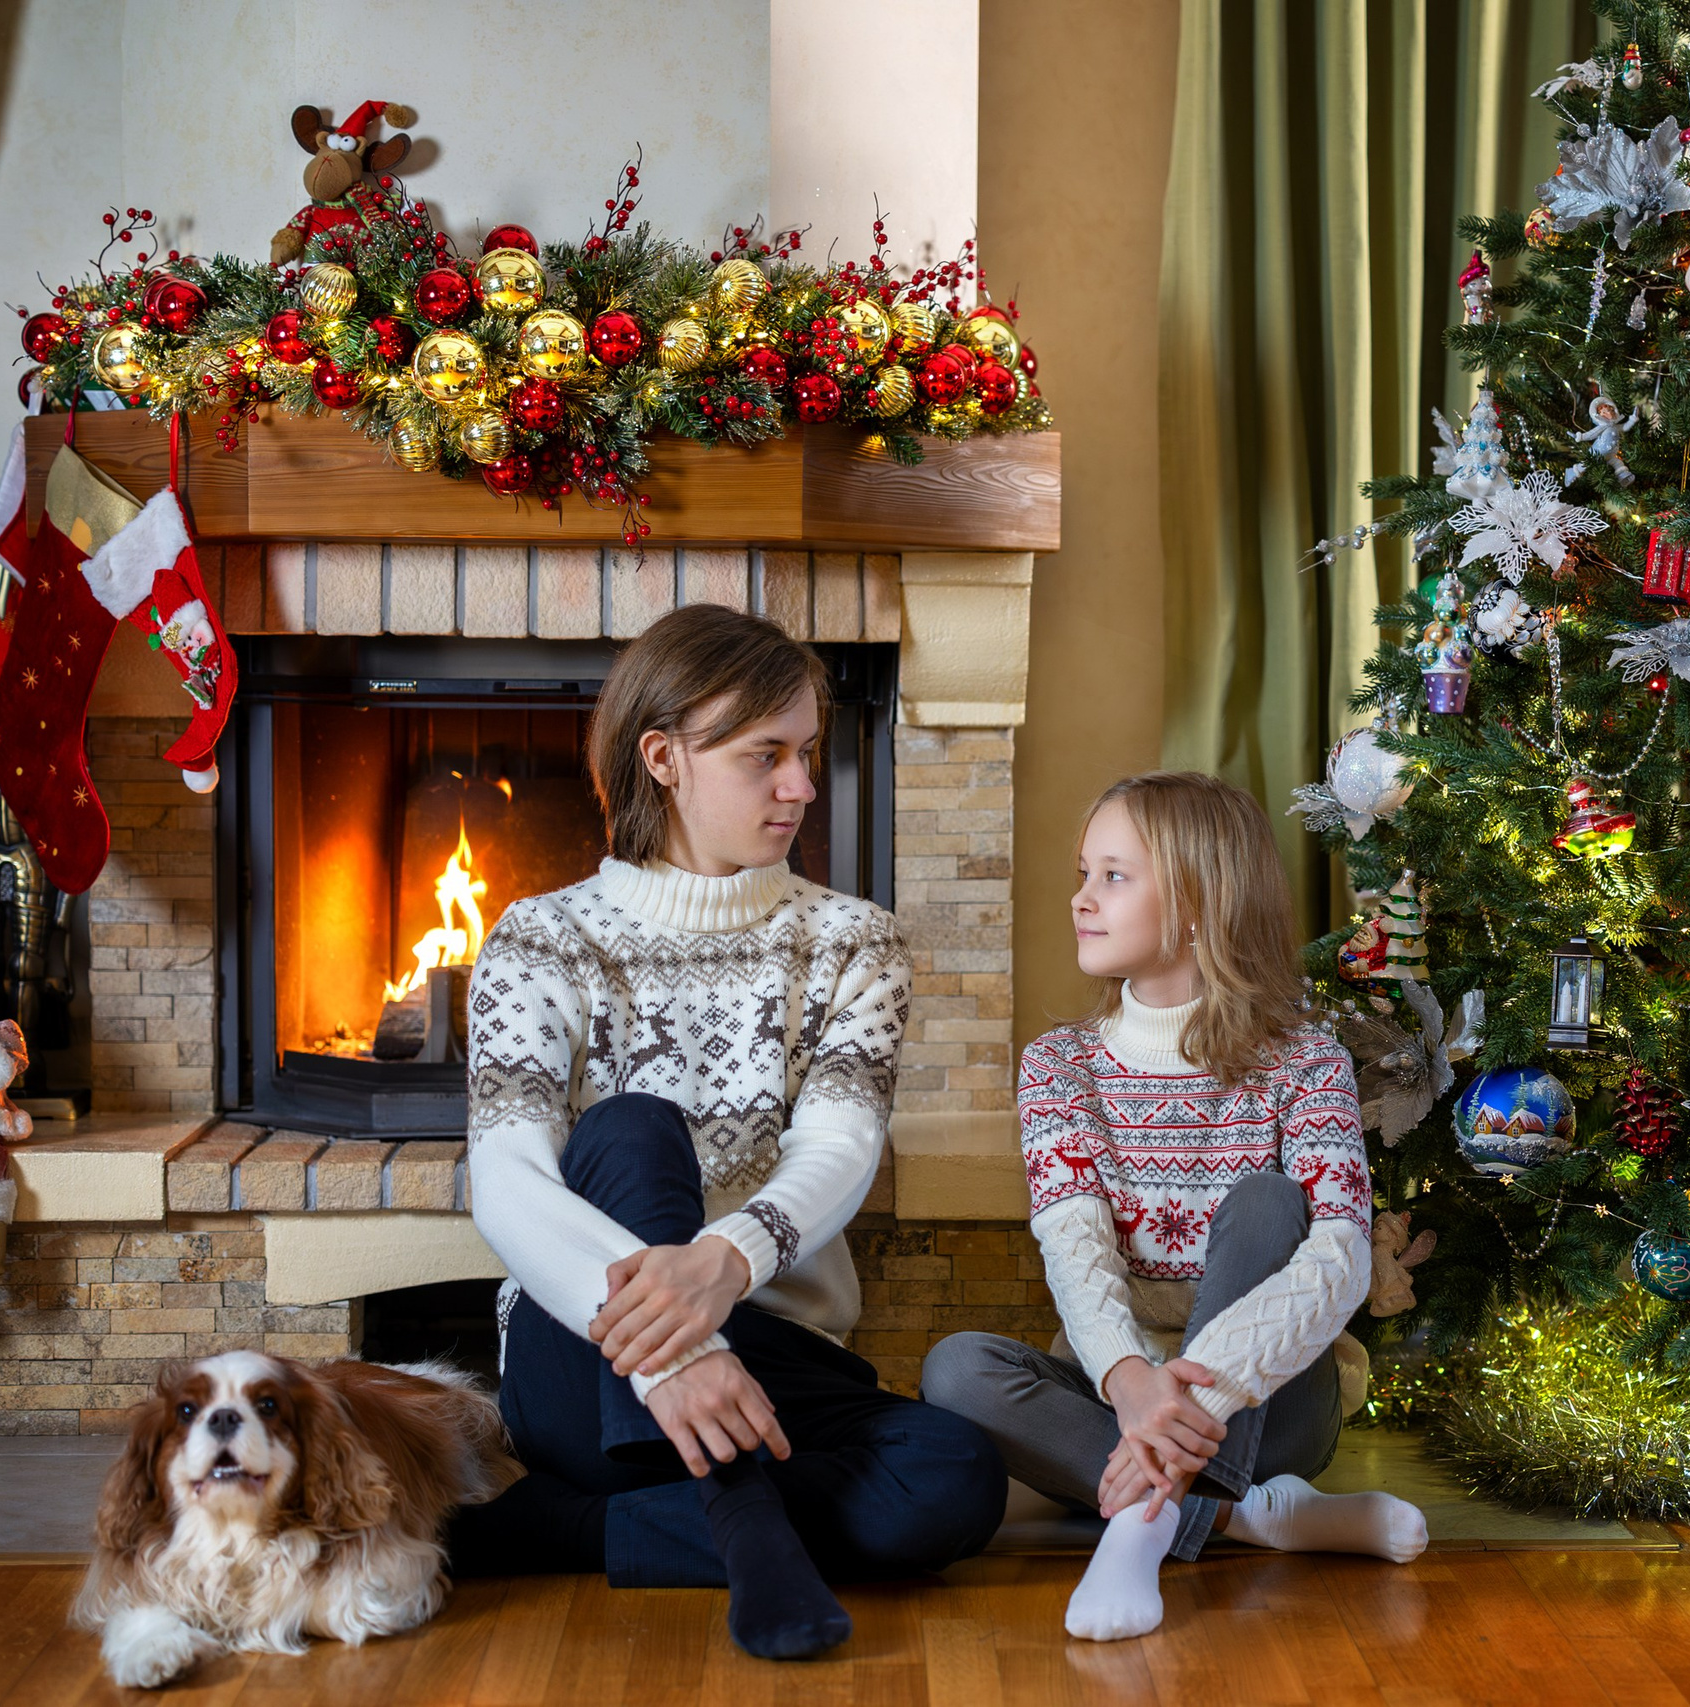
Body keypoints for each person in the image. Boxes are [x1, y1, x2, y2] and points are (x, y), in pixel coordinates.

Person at [451, 605, 1006, 1660]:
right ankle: (743, 1508)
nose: (801, 786)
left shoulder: (854, 943)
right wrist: (682, 1351)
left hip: (775, 1354)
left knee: (958, 1478)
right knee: (631, 1128)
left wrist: (728, 1264)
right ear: (663, 757)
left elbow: (838, 1150)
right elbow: (510, 1181)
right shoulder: (542, 938)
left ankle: (562, 1530)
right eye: (765, 756)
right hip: (586, 1353)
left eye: (807, 753)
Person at [922, 772, 1427, 1642]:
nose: (1081, 898)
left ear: (1197, 902)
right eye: (1084, 874)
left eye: (1113, 876)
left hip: (1272, 1403)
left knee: (1270, 1201)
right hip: (1122, 1405)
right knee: (956, 1371)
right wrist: (1132, 1387)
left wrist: (1192, 1403)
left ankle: (1142, 1523)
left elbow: (1342, 1259)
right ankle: (1248, 1515)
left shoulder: (1306, 1059)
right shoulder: (1059, 1066)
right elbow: (1075, 1250)